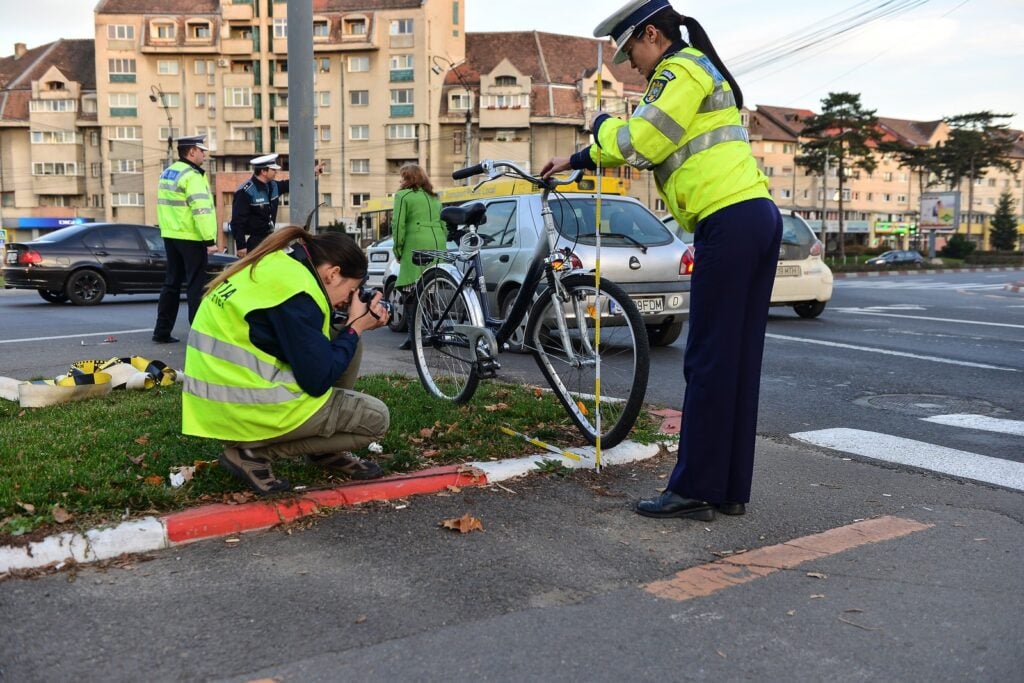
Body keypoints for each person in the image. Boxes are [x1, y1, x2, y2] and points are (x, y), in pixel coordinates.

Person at [543, 0, 781, 521]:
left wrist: (600, 125)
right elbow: (645, 142)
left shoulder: (680, 68)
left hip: (729, 219)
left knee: (708, 360)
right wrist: (579, 159)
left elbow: (641, 141)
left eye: (630, 51)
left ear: (652, 33)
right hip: (752, 216)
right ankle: (726, 488)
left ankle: (694, 488)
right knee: (736, 362)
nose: (629, 65)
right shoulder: (696, 69)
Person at [181, 227, 391, 494]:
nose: (347, 300)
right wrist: (356, 326)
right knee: (375, 419)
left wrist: (352, 329)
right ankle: (251, 454)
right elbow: (316, 380)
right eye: (350, 291)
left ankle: (323, 451)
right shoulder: (298, 293)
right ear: (333, 273)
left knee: (345, 339)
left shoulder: (282, 265)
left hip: (222, 401)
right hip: (243, 408)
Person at [152, 134, 219, 344]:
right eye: (202, 150)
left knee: (171, 284)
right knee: (196, 285)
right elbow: (201, 210)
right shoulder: (192, 176)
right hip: (191, 236)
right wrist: (209, 239)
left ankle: (162, 331)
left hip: (171, 235)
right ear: (192, 152)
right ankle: (199, 334)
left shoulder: (168, 173)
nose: (204, 154)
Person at [392, 163, 447, 350]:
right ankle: (428, 332)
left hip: (415, 243)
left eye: (403, 177)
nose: (400, 181)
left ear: (410, 179)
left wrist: (398, 250)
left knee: (409, 290)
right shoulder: (434, 198)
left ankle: (414, 336)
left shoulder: (403, 196)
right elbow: (443, 224)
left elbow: (397, 224)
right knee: (428, 289)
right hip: (437, 242)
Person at [229, 153, 324, 257]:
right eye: (273, 170)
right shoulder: (246, 191)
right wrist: (241, 246)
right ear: (263, 171)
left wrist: (312, 173)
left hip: (270, 239)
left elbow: (293, 184)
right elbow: (238, 221)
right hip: (253, 242)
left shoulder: (273, 186)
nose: (276, 172)